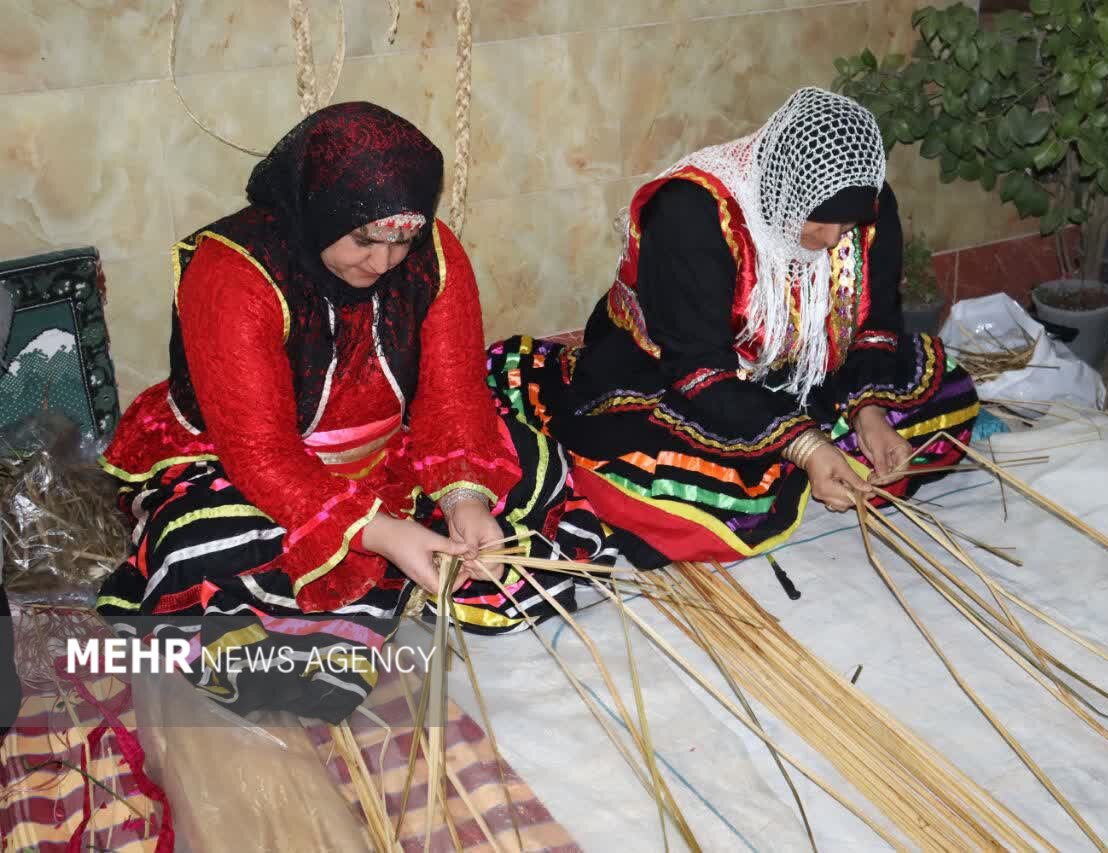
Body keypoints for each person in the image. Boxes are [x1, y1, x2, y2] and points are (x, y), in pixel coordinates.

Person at [96, 102, 609, 723]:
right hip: (250, 465)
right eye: (365, 239)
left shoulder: (434, 255)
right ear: (320, 210)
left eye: (403, 241)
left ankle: (413, 552)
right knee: (199, 547)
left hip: (389, 450)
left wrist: (462, 500)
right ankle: (382, 561)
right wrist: (385, 532)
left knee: (536, 468)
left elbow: (452, 395)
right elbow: (261, 454)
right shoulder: (233, 274)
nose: (385, 263)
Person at [489, 88, 979, 569]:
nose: (832, 241)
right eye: (820, 222)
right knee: (675, 487)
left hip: (805, 367)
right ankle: (805, 460)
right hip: (678, 373)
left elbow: (874, 325)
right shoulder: (692, 212)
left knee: (947, 395)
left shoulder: (864, 207)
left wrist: (869, 411)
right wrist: (805, 444)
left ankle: (811, 456)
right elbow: (698, 366)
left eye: (846, 227)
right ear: (784, 188)